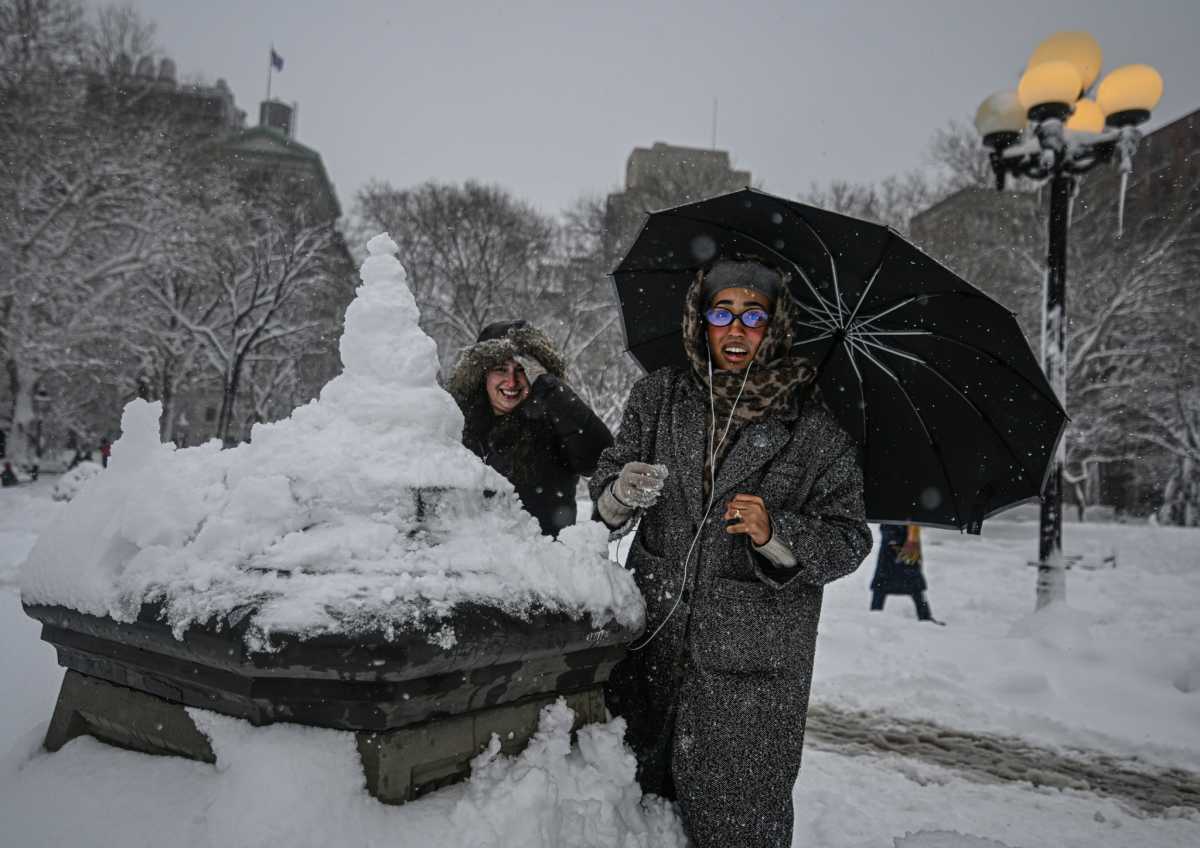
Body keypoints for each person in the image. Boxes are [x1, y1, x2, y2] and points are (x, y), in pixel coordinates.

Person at [590, 257, 871, 847]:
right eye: (722, 313)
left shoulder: (816, 428)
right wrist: (619, 493)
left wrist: (777, 533)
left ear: (776, 326)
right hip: (651, 650)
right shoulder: (661, 396)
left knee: (736, 827)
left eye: (753, 316)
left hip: (751, 674)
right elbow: (605, 487)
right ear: (701, 321)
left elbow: (849, 537)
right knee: (629, 817)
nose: (736, 329)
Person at [447, 319, 613, 536]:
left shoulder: (555, 420)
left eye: (522, 370)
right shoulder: (455, 423)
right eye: (500, 369)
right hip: (471, 562)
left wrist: (550, 387)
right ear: (481, 374)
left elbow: (601, 458)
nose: (512, 381)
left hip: (542, 563)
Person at [869, 523, 944, 624]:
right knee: (883, 586)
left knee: (913, 586)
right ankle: (874, 616)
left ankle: (925, 616)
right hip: (894, 550)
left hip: (905, 549)